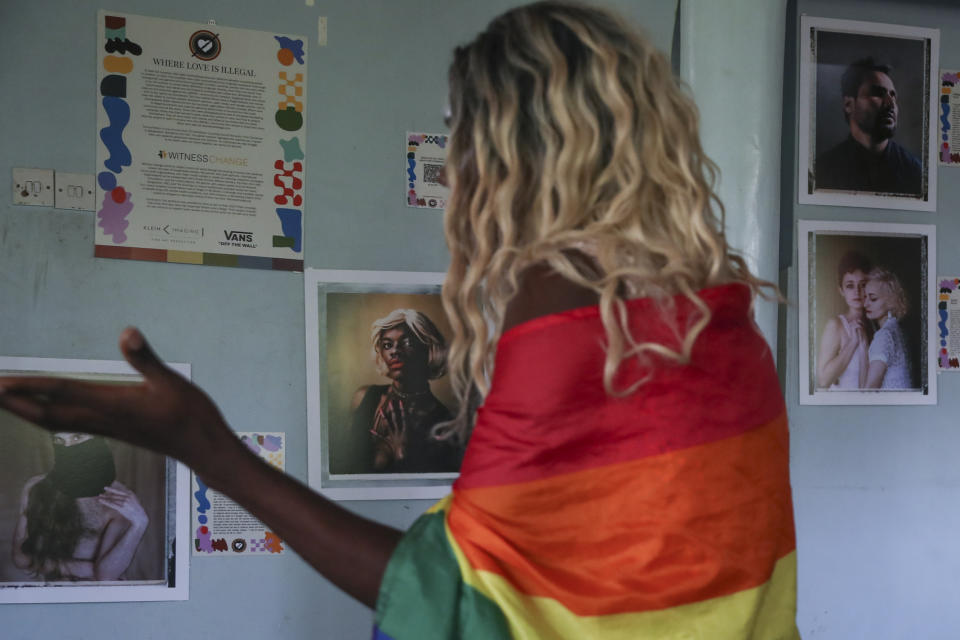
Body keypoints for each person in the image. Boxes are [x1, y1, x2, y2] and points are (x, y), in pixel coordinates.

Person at [0, 2, 799, 638]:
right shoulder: (719, 312)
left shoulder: (558, 300)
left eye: (464, 135)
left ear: (516, 149)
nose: (454, 169)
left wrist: (207, 448)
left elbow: (455, 599)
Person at [11, 432, 148, 581]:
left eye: (77, 438)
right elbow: (19, 557)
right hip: (51, 596)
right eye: (59, 440)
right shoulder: (35, 487)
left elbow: (106, 576)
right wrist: (83, 568)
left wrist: (140, 524)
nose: (68, 448)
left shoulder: (119, 500)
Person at [350, 309, 458, 473]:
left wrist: (401, 455)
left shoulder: (443, 422)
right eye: (387, 345)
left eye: (407, 343)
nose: (394, 351)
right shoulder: (363, 397)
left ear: (428, 350)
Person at [814, 56, 922, 195]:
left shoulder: (914, 172)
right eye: (878, 93)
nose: (891, 103)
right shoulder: (823, 170)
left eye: (893, 95)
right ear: (848, 104)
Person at [816, 250, 873, 389]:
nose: (857, 292)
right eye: (850, 286)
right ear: (841, 290)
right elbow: (823, 380)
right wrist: (853, 343)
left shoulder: (875, 325)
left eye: (863, 285)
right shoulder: (836, 325)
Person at [863, 266, 913, 389]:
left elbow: (870, 390)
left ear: (891, 301)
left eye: (873, 298)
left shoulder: (884, 336)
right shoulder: (897, 330)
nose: (865, 304)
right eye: (865, 297)